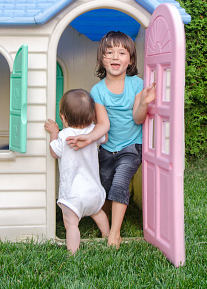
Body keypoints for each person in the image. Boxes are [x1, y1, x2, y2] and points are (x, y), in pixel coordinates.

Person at [66, 31, 156, 248]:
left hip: (132, 146)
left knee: (119, 183)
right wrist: (87, 138)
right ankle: (102, 220)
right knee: (104, 185)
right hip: (107, 148)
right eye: (109, 52)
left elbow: (138, 118)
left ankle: (114, 233)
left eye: (122, 52)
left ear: (130, 60)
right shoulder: (97, 91)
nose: (115, 57)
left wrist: (144, 102)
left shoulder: (136, 84)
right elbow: (103, 124)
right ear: (101, 59)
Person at [44, 89, 110, 254]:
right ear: (91, 116)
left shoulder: (64, 135)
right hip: (94, 191)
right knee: (99, 214)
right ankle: (107, 235)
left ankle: (72, 253)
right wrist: (95, 124)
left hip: (73, 195)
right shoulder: (93, 133)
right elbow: (105, 138)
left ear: (63, 118)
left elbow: (54, 152)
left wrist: (54, 132)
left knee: (71, 224)